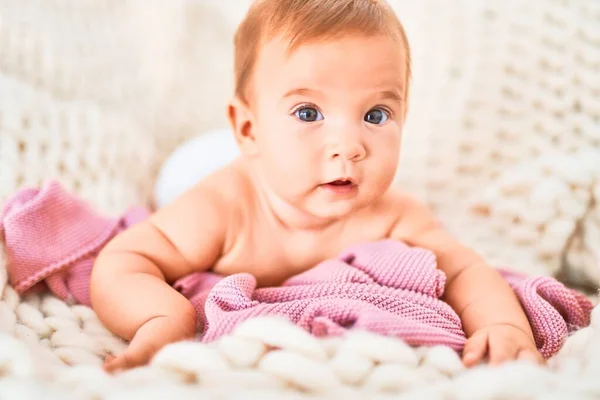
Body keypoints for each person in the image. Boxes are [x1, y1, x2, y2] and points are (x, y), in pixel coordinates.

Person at [91, 0, 544, 372]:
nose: (348, 146)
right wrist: (161, 314)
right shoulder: (221, 208)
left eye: (375, 115)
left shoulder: (395, 215)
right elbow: (124, 260)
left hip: (267, 157)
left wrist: (505, 326)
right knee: (179, 176)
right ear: (248, 128)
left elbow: (466, 271)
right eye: (308, 113)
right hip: (199, 165)